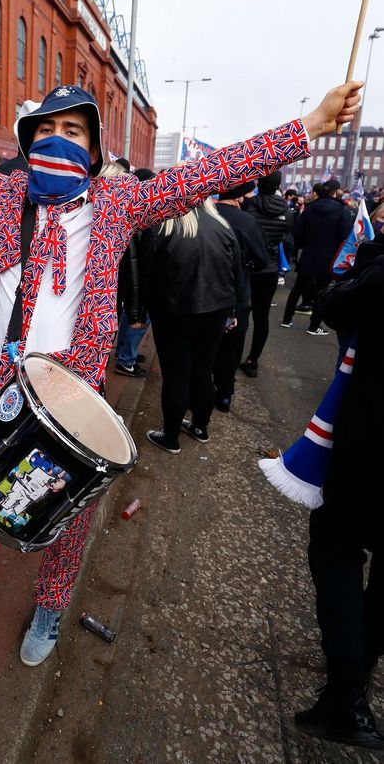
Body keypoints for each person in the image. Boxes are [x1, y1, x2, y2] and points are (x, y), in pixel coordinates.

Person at [0, 51, 362, 667]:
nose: (59, 140)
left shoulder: (117, 207)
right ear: (29, 142)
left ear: (91, 150)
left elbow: (211, 170)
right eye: (48, 130)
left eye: (74, 131)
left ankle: (53, 606)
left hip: (71, 390)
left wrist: (312, 126)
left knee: (67, 502)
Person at [294, 205, 384, 751]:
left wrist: (367, 254)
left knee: (336, 549)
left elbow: (333, 300)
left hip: (371, 444)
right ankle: (358, 671)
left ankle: (347, 694)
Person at [141, 199, 241, 453]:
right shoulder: (222, 225)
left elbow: (147, 274)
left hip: (174, 312)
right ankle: (200, 427)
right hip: (215, 310)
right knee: (203, 370)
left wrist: (142, 309)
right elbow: (236, 272)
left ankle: (171, 437)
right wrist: (232, 310)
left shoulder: (163, 226)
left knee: (177, 374)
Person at [212, 181, 269, 412]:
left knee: (205, 349)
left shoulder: (207, 215)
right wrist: (245, 266)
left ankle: (198, 396)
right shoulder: (247, 221)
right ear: (239, 197)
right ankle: (224, 396)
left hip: (207, 293)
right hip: (237, 295)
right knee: (231, 350)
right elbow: (262, 259)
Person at [282, 178, 352, 334]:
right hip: (328, 256)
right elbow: (345, 237)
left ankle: (287, 319)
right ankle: (314, 325)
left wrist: (304, 245)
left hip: (309, 253)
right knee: (322, 292)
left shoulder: (310, 208)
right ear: (336, 192)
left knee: (298, 288)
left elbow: (298, 232)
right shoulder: (343, 211)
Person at [239, 170, 289, 377]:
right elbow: (288, 236)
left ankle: (231, 357)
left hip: (246, 267)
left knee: (240, 313)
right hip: (269, 268)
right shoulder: (287, 210)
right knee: (262, 316)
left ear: (259, 183)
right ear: (278, 185)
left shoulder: (248, 206)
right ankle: (253, 360)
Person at [114, 166, 154, 378]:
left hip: (131, 278)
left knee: (131, 315)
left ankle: (124, 353)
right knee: (137, 316)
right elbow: (135, 257)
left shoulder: (130, 207)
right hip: (135, 277)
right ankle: (126, 361)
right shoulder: (140, 210)